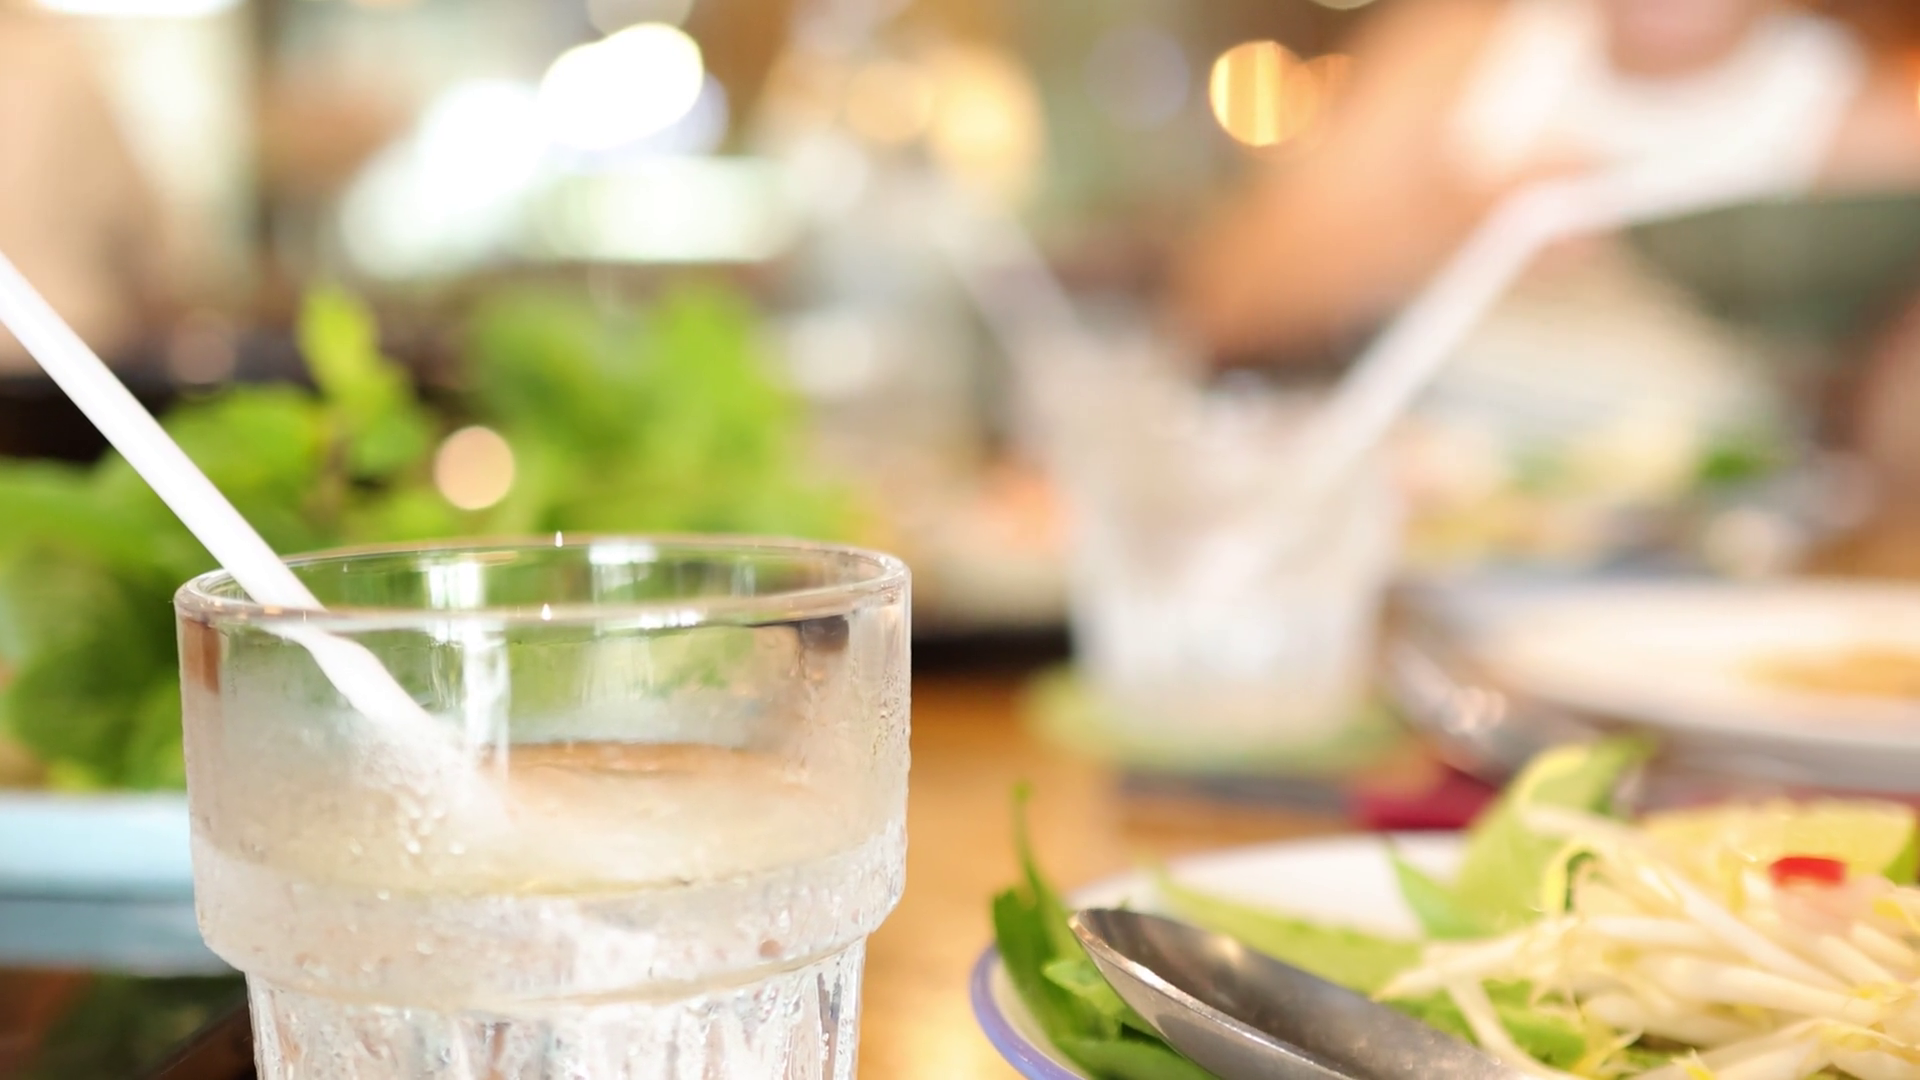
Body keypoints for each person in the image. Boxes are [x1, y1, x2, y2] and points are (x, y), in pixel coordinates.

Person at [0, 6, 169, 371]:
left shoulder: (58, 59)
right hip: (71, 349)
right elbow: (142, 230)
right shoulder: (61, 61)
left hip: (68, 359)